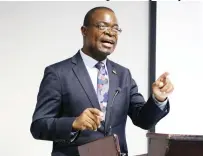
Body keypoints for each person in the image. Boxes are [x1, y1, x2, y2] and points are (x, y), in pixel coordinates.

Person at [30, 6, 174, 156]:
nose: (110, 33)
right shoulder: (59, 73)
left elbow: (144, 120)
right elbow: (38, 126)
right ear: (84, 31)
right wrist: (73, 123)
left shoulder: (123, 75)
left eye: (115, 29)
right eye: (102, 26)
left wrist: (158, 98)